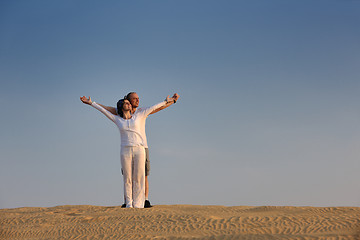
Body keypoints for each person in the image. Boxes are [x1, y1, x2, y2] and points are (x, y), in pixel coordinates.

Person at [80, 94, 177, 208]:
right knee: (127, 178)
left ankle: (139, 204)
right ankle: (129, 204)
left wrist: (166, 101)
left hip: (140, 149)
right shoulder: (118, 120)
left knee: (139, 177)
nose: (129, 104)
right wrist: (91, 103)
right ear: (121, 106)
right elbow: (104, 111)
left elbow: (153, 108)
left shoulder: (139, 115)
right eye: (126, 103)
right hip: (125, 150)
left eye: (129, 103)